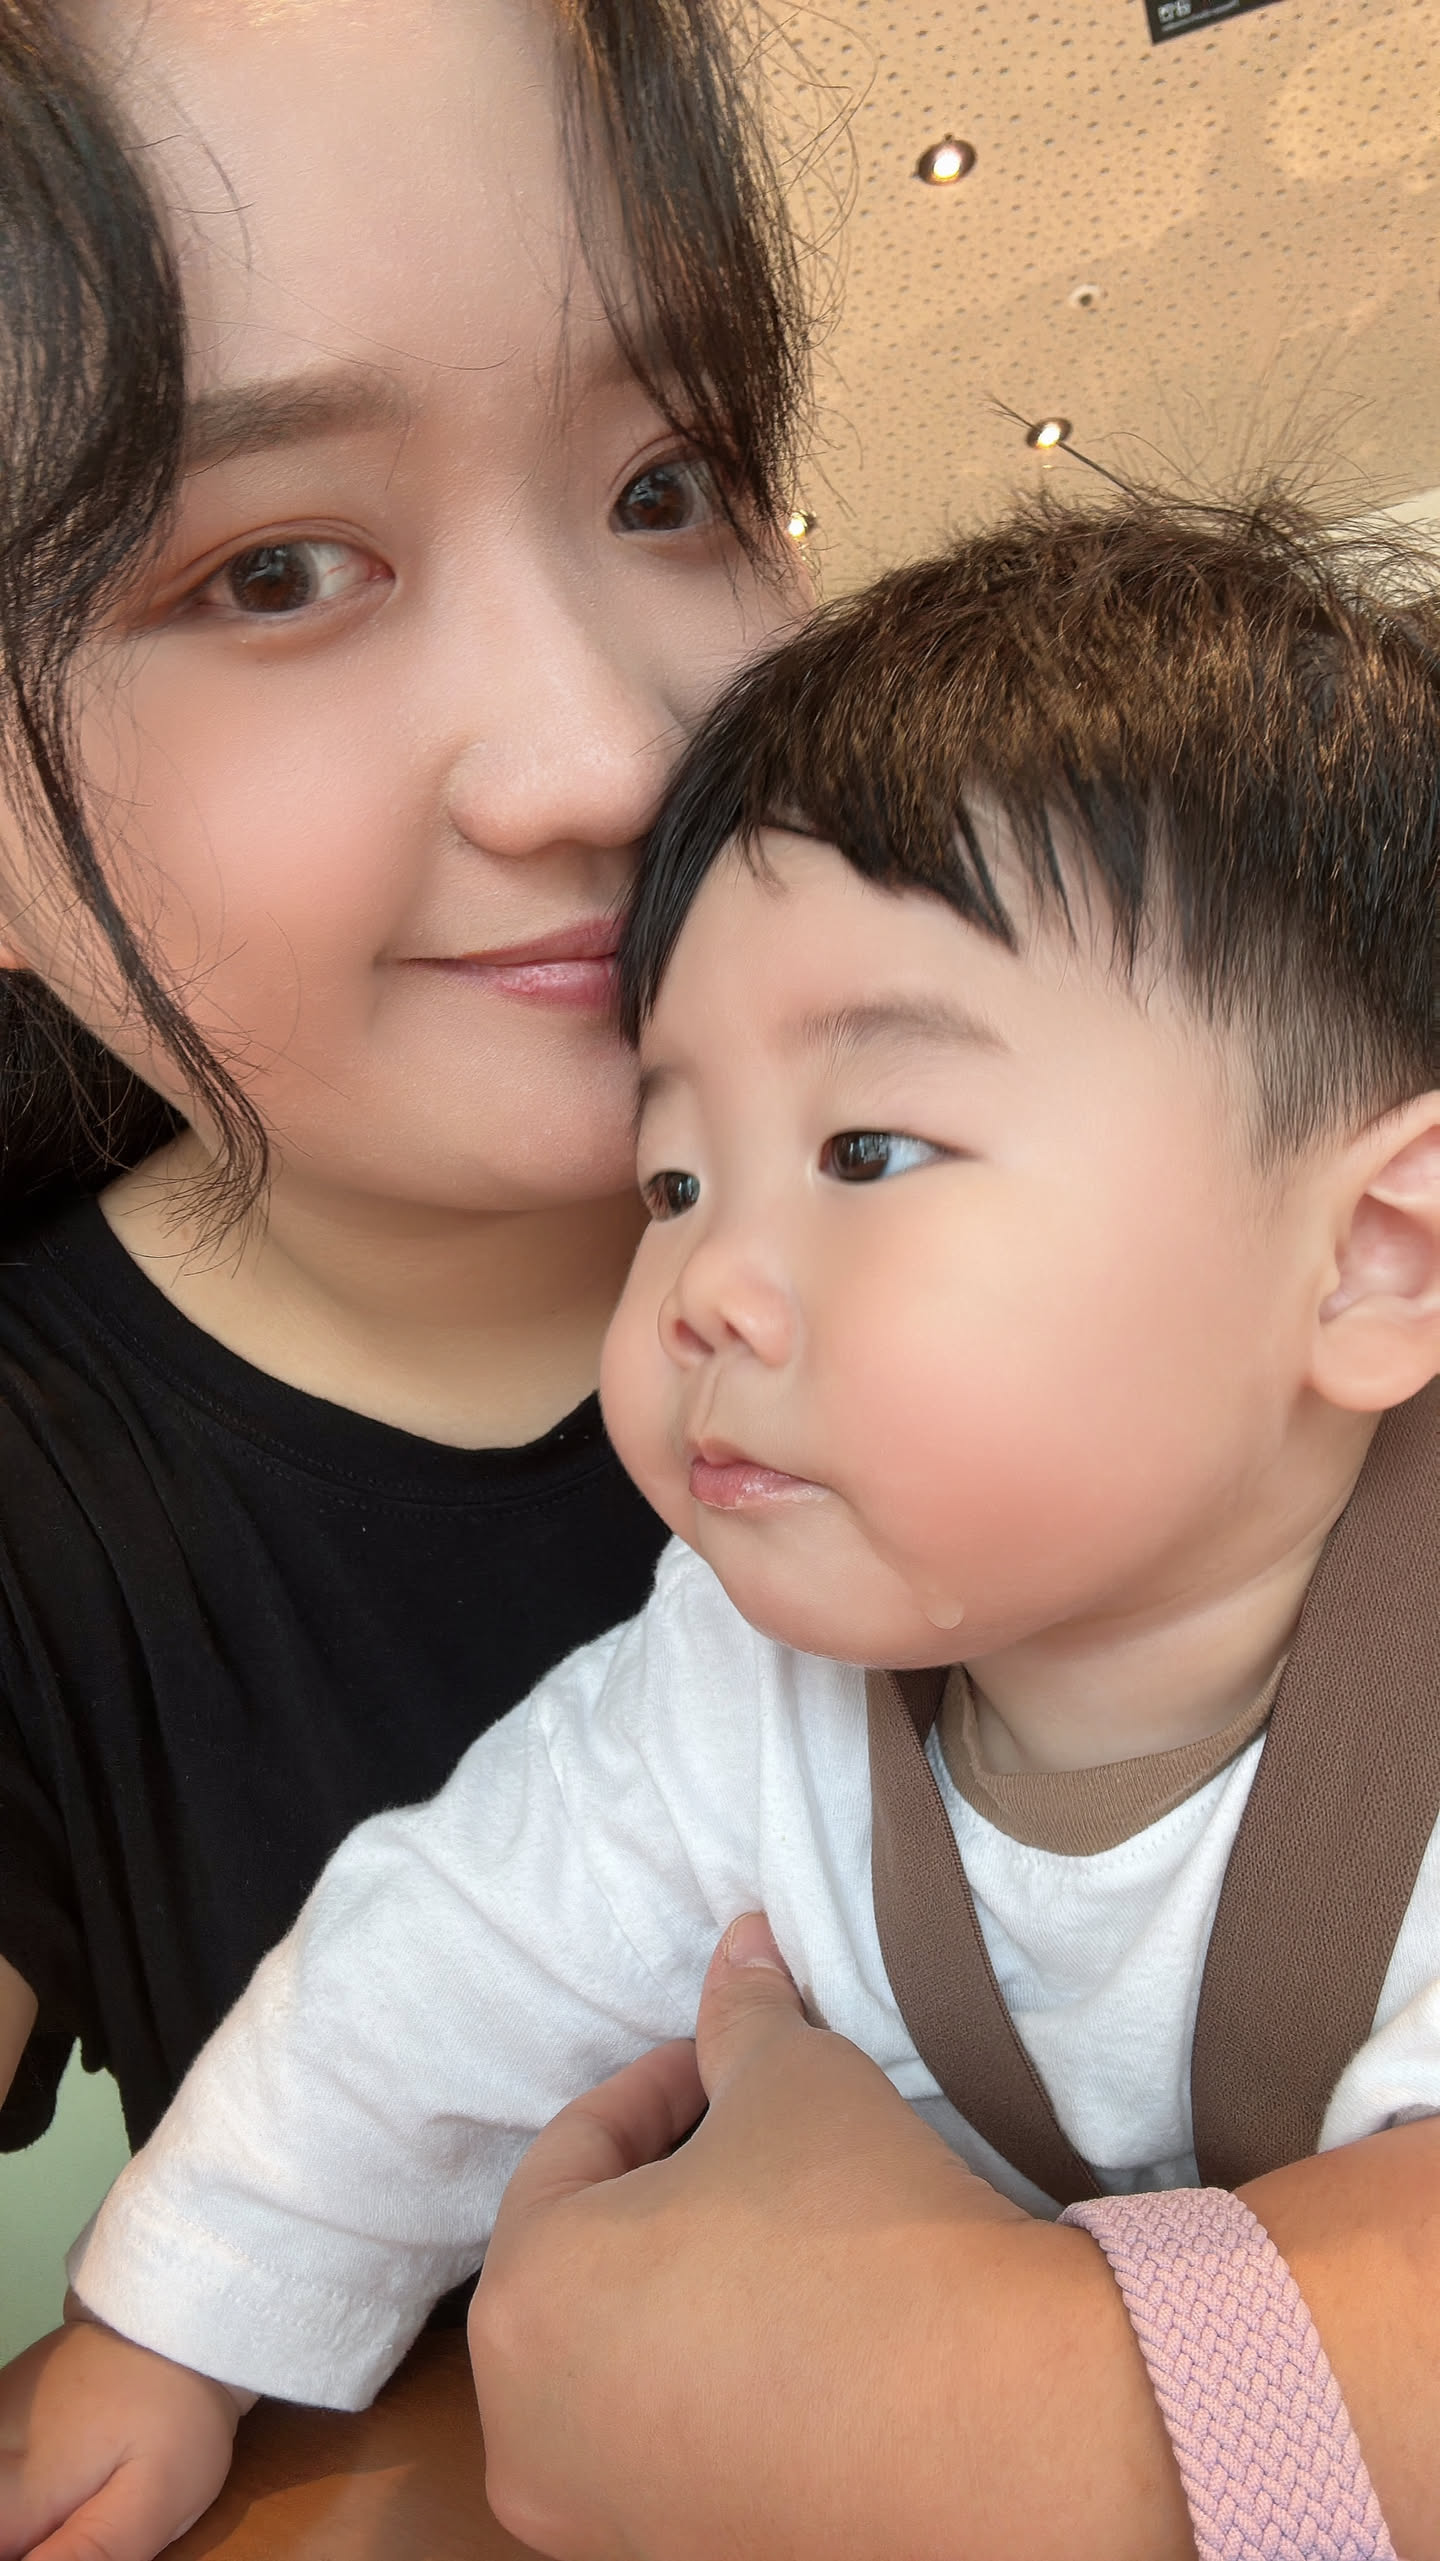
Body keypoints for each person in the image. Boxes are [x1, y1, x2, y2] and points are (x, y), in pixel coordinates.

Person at [8, 491, 1440, 2561]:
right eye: (675, 1178)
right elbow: (433, 1973)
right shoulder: (731, 1687)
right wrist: (173, 2329)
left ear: (1378, 1258)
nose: (703, 1288)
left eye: (869, 1147)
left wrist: (1011, 2425)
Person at [0, 0, 808, 2165]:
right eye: (271, 572)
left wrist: (1143, 2344)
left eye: (669, 486)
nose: (606, 758)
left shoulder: (1165, 1147)